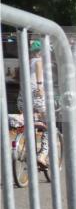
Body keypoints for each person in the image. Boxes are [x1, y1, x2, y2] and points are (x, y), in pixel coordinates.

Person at [17, 39, 49, 168]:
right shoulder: (38, 61)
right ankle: (42, 155)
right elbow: (39, 69)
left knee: (30, 123)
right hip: (36, 95)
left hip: (22, 97)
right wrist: (40, 86)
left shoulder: (26, 62)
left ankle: (26, 150)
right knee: (48, 124)